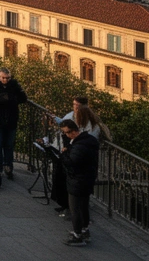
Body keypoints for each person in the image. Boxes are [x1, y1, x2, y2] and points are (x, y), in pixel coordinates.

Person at [52, 96, 105, 215]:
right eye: (74, 105)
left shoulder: (91, 124)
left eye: (78, 105)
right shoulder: (70, 115)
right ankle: (66, 205)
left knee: (77, 187)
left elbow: (87, 139)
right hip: (70, 152)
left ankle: (77, 215)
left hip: (79, 157)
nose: (75, 108)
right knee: (63, 179)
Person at [60, 119, 100, 247]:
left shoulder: (79, 146)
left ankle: (77, 235)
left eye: (67, 133)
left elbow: (71, 163)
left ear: (73, 131)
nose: (66, 135)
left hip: (78, 180)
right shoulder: (88, 141)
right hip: (87, 178)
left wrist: (64, 153)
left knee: (75, 208)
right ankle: (84, 230)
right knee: (83, 206)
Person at [0, 68, 27, 181]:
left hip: (11, 119)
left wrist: (11, 99)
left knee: (9, 144)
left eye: (7, 78)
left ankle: (8, 166)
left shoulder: (14, 85)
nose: (5, 80)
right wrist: (1, 99)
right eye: (3, 78)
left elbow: (23, 97)